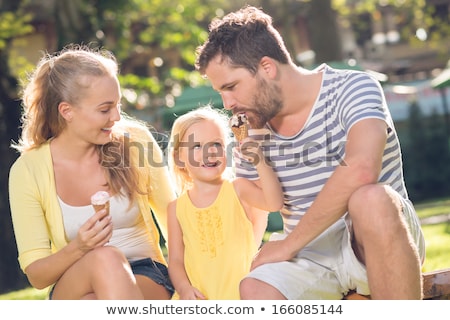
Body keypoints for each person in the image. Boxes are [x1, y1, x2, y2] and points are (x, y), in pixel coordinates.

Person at [195, 5, 426, 299]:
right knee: (255, 287)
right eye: (220, 92)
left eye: (231, 87)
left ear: (267, 67)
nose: (227, 103)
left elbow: (362, 168)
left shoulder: (352, 87)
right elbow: (260, 202)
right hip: (311, 257)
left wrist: (289, 244)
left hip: (374, 238)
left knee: (371, 199)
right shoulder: (251, 127)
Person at [8, 44, 176, 300]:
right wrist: (80, 247)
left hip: (145, 272)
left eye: (118, 105)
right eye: (105, 109)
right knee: (104, 259)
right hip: (74, 276)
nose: (117, 117)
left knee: (93, 301)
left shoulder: (135, 142)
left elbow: (174, 223)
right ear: (67, 112)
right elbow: (38, 276)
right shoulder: (28, 170)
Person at [166, 105, 283, 299]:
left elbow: (274, 203)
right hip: (198, 299)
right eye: (197, 146)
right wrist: (184, 288)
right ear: (179, 157)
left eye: (217, 144)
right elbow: (176, 261)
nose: (209, 152)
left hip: (240, 296)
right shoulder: (176, 208)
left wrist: (257, 158)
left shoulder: (238, 189)